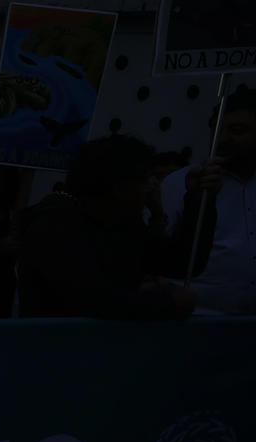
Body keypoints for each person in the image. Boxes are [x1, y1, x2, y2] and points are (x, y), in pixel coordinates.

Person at [17, 135, 197, 320]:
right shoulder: (54, 227)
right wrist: (168, 304)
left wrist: (197, 198)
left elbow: (181, 262)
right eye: (145, 179)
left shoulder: (121, 225)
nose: (152, 187)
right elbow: (91, 300)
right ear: (119, 187)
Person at [158, 85, 256, 313]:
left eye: (237, 131)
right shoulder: (180, 182)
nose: (223, 139)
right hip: (198, 320)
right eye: (217, 130)